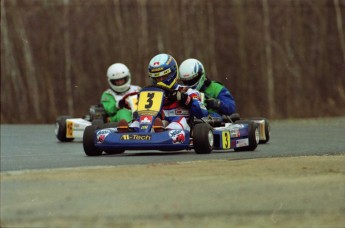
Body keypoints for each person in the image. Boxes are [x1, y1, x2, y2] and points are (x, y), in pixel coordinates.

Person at [119, 53, 208, 132]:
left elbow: (203, 112)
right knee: (143, 119)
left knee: (180, 119)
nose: (160, 80)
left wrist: (184, 98)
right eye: (157, 78)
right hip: (156, 123)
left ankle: (167, 132)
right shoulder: (151, 92)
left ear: (172, 73)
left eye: (164, 76)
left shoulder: (187, 91)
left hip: (182, 126)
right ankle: (131, 130)